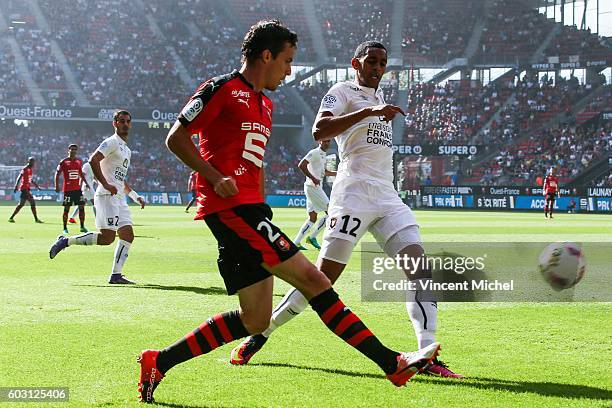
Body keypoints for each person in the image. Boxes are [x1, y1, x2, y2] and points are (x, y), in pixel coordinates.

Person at [137, 21, 439, 404]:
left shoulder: (265, 103)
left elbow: (256, 165)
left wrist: (261, 206)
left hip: (250, 211)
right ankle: (391, 363)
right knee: (315, 280)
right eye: (287, 61)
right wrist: (214, 176)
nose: (290, 70)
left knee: (255, 319)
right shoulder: (221, 89)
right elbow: (176, 137)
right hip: (230, 209)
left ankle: (158, 361)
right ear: (267, 55)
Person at [230, 41, 462, 379]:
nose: (378, 68)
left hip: (387, 197)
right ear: (357, 63)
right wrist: (367, 113)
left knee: (420, 269)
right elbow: (319, 129)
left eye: (382, 63)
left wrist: (374, 110)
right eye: (372, 61)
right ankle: (261, 334)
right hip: (353, 195)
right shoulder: (342, 91)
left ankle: (427, 353)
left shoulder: (380, 100)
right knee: (320, 282)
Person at [49, 110, 146, 285]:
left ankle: (116, 275)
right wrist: (106, 184)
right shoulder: (111, 142)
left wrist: (134, 195)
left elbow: (120, 179)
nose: (125, 124)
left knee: (128, 235)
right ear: (115, 123)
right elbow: (94, 160)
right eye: (121, 121)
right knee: (107, 238)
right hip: (107, 196)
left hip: (119, 198)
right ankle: (66, 241)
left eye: (127, 121)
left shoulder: (127, 150)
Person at [293, 139, 336, 250]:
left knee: (312, 217)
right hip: (313, 187)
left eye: (328, 141)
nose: (327, 143)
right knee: (330, 212)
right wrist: (313, 178)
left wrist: (338, 173)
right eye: (325, 141)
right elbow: (301, 165)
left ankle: (296, 242)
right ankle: (312, 237)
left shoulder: (323, 155)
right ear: (320, 141)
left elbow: (324, 172)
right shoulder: (314, 152)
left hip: (314, 186)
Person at [54, 144, 88, 233]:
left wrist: (86, 183)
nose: (73, 151)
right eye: (72, 149)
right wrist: (56, 186)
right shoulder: (63, 162)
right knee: (66, 209)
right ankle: (65, 228)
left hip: (77, 189)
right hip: (68, 190)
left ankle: (82, 227)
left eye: (75, 149)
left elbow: (80, 173)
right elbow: (57, 174)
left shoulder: (78, 161)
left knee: (82, 207)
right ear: (68, 150)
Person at [8, 157, 43, 223]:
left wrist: (37, 186)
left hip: (27, 188)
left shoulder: (30, 169)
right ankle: (36, 219)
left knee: (21, 204)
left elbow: (30, 179)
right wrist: (16, 186)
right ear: (29, 162)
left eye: (34, 162)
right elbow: (19, 177)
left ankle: (11, 218)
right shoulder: (25, 169)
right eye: (32, 162)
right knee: (32, 202)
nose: (33, 163)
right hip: (24, 189)